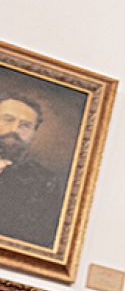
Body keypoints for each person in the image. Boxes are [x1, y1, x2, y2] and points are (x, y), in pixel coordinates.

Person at [0, 90, 64, 248]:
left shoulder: (46, 182)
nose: (15, 129)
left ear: (33, 133)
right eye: (8, 119)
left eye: (25, 125)